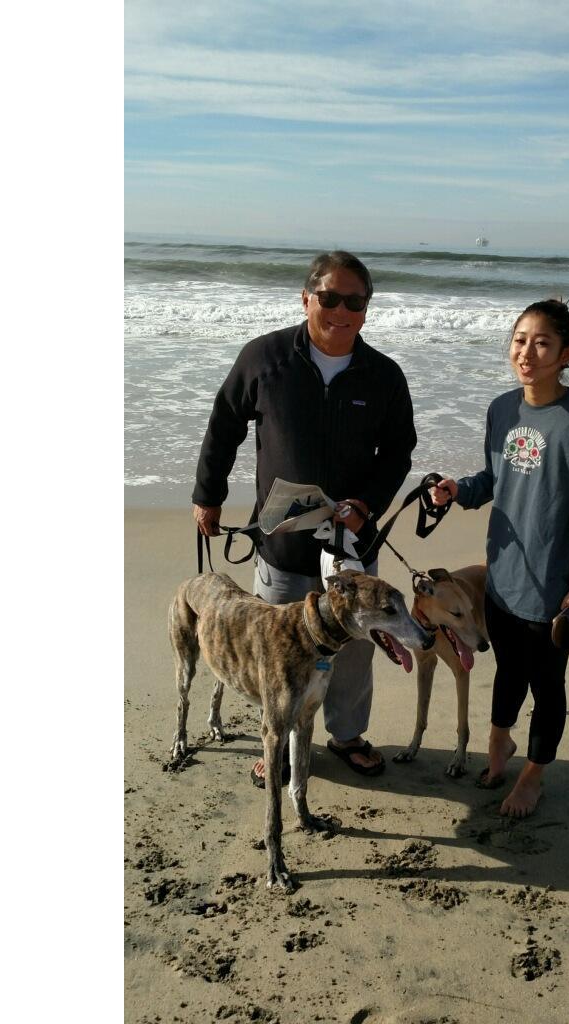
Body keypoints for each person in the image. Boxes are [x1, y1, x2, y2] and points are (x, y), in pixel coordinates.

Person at [192, 251, 417, 784]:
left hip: (351, 546)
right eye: (330, 298)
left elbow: (400, 451)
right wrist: (208, 494)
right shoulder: (265, 358)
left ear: (367, 308)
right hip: (283, 542)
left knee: (358, 644)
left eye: (355, 301)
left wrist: (368, 505)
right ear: (306, 298)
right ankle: (278, 738)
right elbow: (225, 424)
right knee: (275, 648)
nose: (342, 310)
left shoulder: (383, 375)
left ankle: (346, 735)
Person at [430, 298, 569, 817]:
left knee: (546, 683)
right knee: (508, 669)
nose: (526, 352)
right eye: (519, 339)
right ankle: (499, 744)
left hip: (555, 582)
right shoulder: (501, 409)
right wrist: (457, 490)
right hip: (503, 573)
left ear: (566, 354)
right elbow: (494, 478)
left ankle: (533, 775)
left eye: (541, 343)